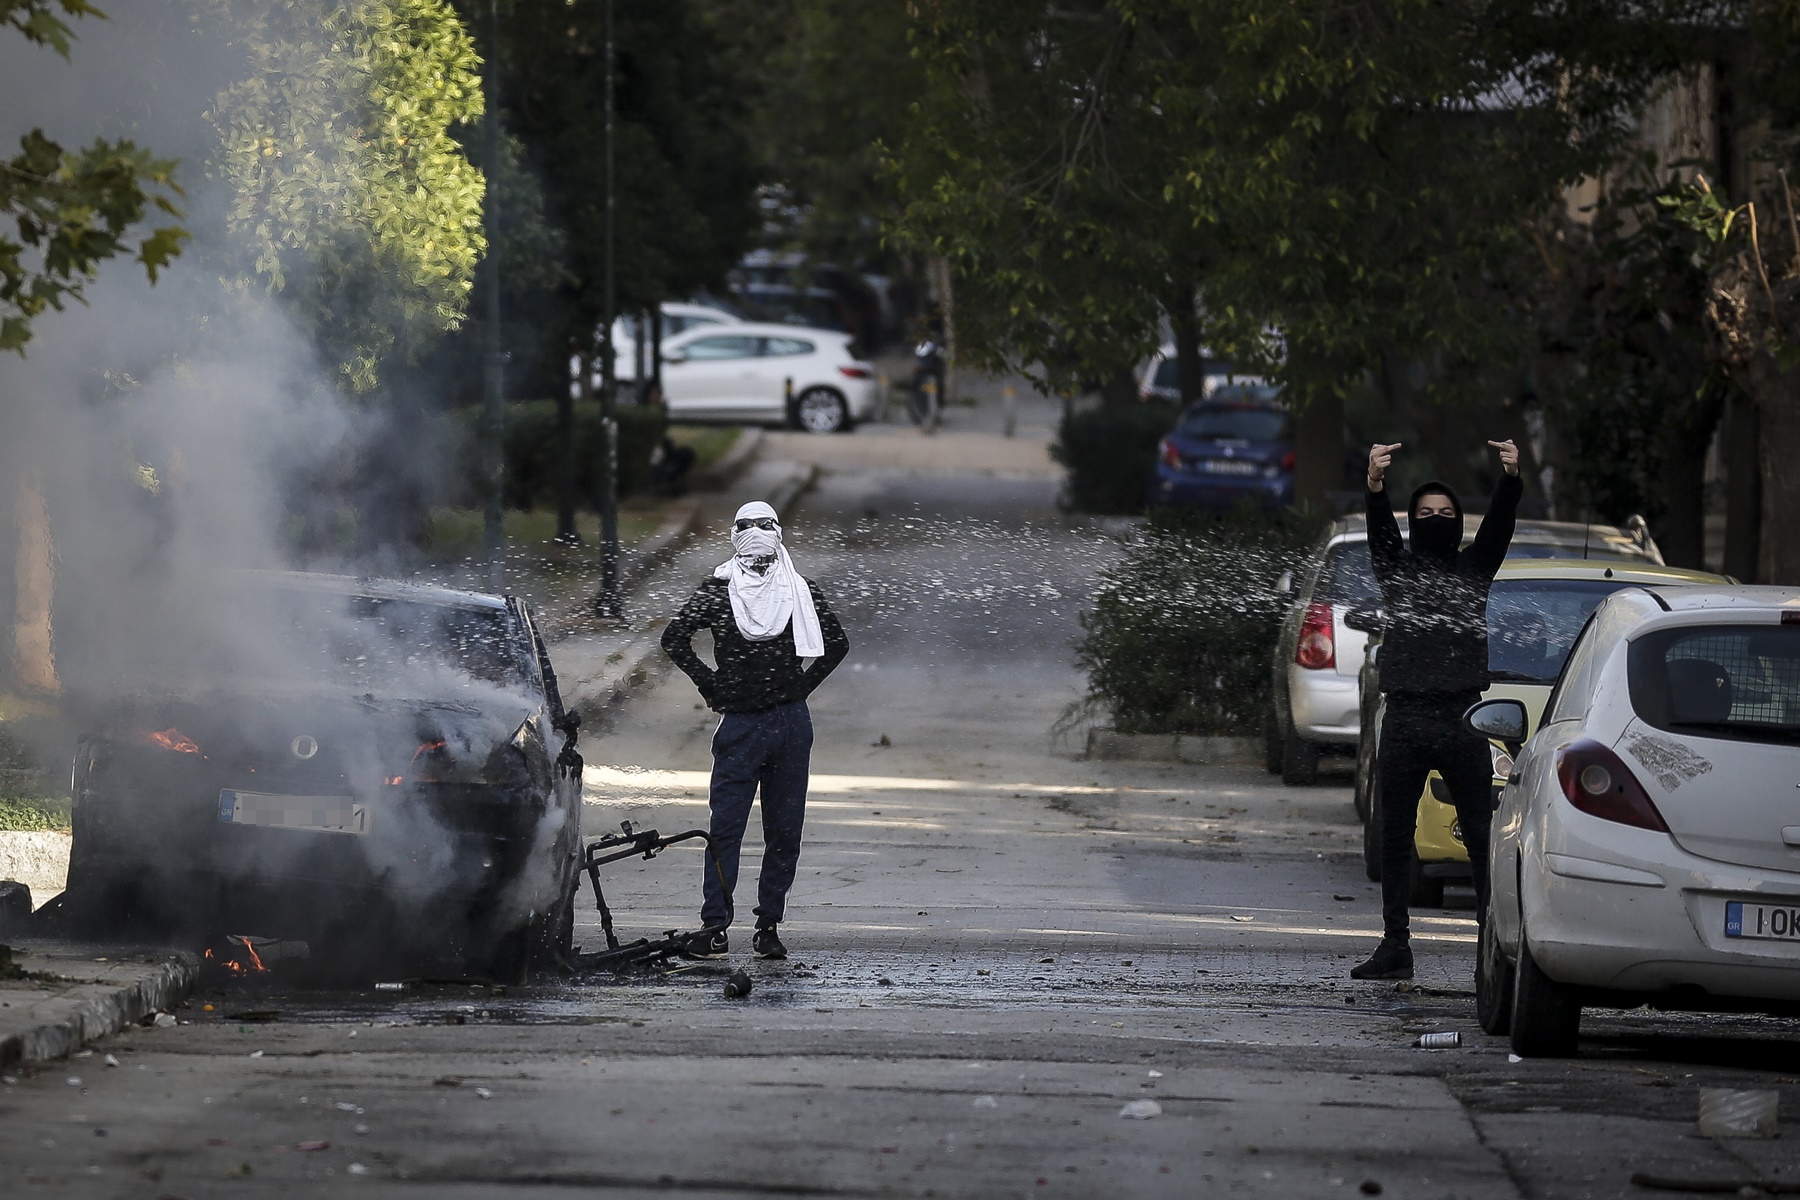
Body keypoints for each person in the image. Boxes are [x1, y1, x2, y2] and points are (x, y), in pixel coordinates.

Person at [1352, 438, 1522, 981]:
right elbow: (1381, 536)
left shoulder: (1475, 569)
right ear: (1411, 521)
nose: (1435, 519)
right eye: (1424, 513)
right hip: (1403, 717)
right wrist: (1375, 485)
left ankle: (1491, 950)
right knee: (1395, 837)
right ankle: (1394, 945)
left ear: (1459, 521)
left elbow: (1499, 528)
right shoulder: (1396, 571)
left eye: (1445, 513)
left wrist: (1511, 479)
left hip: (1462, 718)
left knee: (1479, 837)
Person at [661, 500, 850, 960]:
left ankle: (765, 924)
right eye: (751, 536)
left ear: (777, 537)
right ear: (737, 539)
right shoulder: (721, 589)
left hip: (781, 724)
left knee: (780, 830)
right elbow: (674, 637)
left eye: (764, 534)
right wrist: (713, 683)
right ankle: (722, 925)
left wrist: (794, 687)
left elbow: (836, 644)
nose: (758, 552)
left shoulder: (799, 591)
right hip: (749, 724)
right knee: (728, 827)